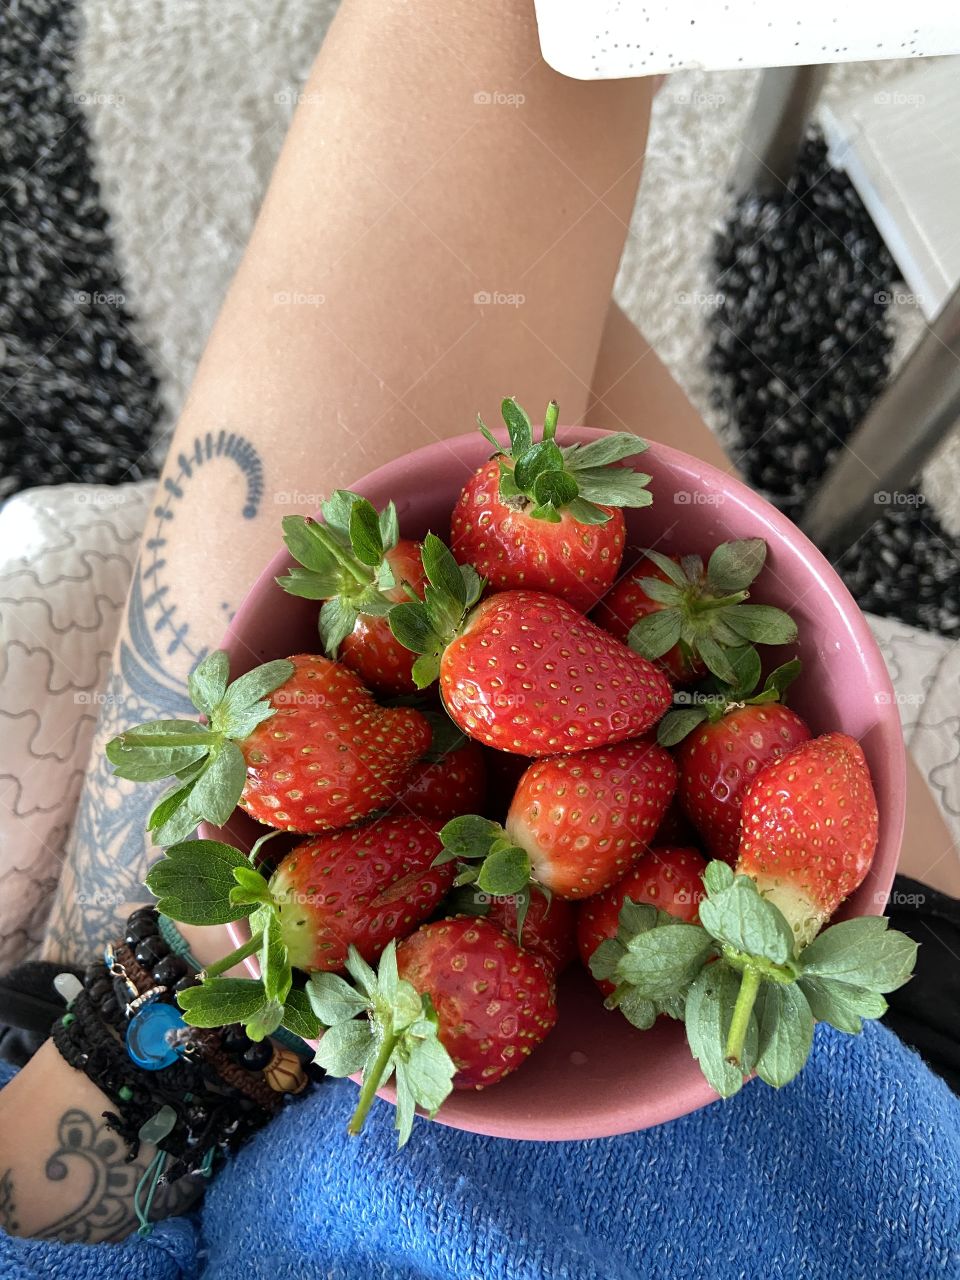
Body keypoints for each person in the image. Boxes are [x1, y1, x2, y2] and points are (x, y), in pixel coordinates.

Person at [0, 1, 958, 1274]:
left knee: (495, 153)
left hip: (218, 1070)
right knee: (488, 104)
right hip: (853, 1021)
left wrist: (185, 1028)